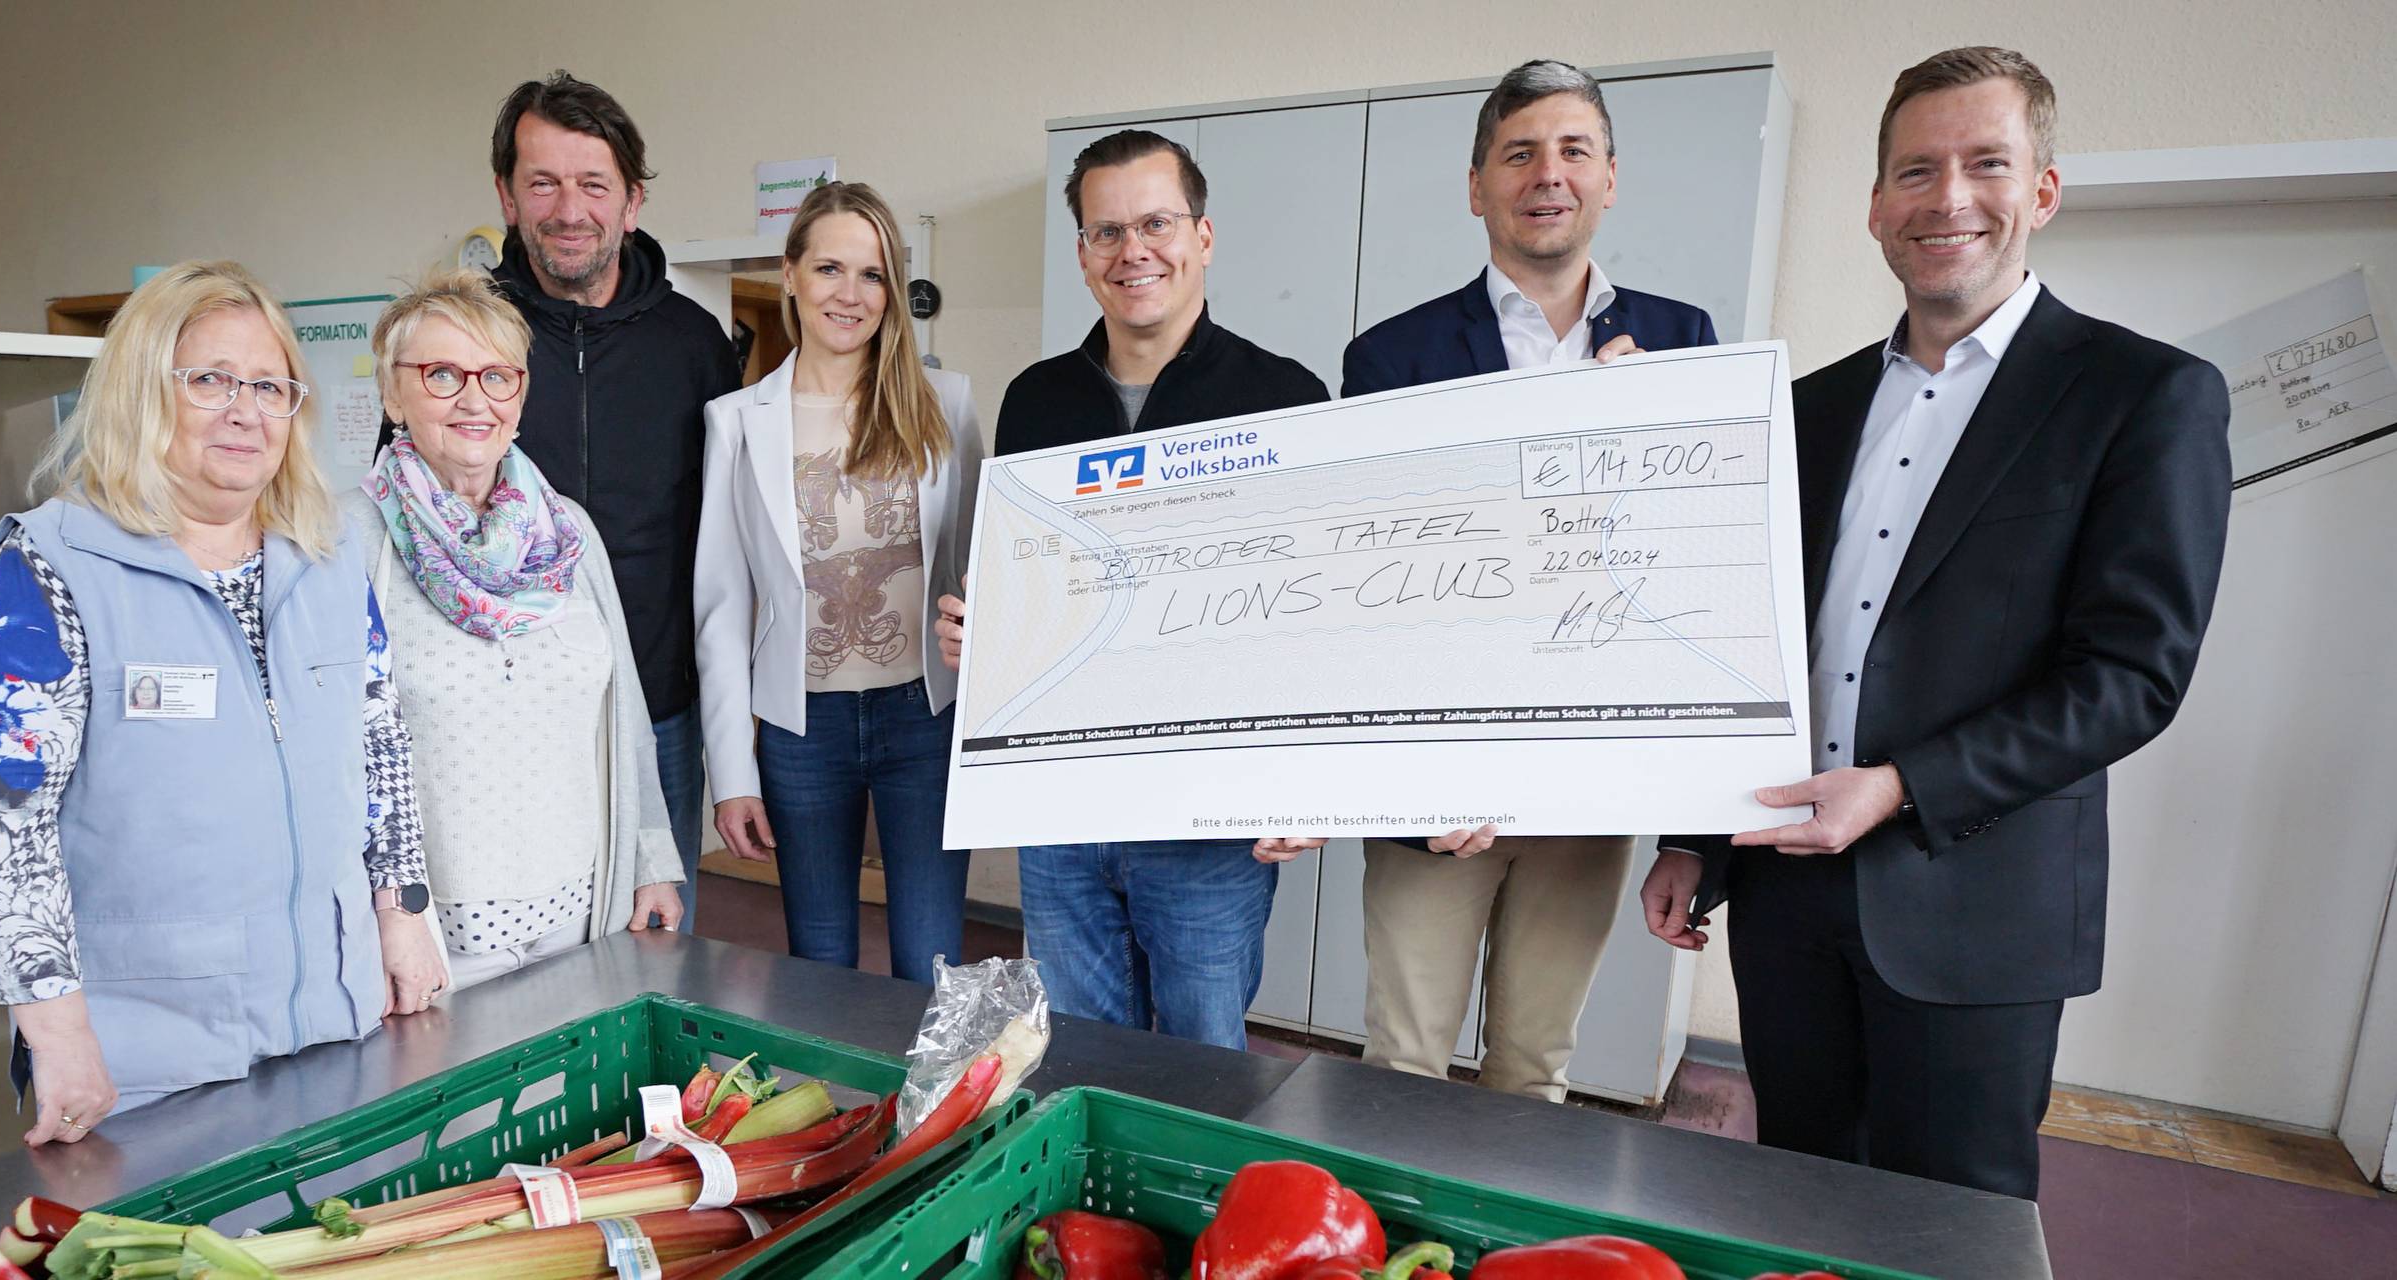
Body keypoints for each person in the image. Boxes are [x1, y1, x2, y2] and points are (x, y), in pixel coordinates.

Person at [1641, 47, 2232, 1199]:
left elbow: (2132, 674)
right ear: (1875, 207)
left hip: (1977, 899)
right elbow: (1746, 643)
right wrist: (1694, 839)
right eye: (1916, 170)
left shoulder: (2143, 395)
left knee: (1953, 1224)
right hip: (1786, 891)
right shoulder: (1801, 410)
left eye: (1986, 164)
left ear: (2043, 192)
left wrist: (1902, 780)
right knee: (1799, 1195)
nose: (1948, 197)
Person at [0, 261, 441, 1145]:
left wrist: (401, 919)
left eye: (269, 385)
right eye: (210, 379)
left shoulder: (327, 558)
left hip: (337, 1013)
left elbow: (381, 752)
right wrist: (55, 1034)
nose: (245, 410)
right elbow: (3, 829)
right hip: (148, 1049)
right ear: (141, 391)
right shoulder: (47, 564)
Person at [1338, 60, 1721, 1102]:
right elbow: (1368, 582)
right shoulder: (1391, 356)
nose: (1547, 174)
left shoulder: (1685, 346)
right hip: (1436, 788)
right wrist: (1411, 779)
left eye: (1573, 150)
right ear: (1478, 186)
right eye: (1519, 153)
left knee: (1535, 1069)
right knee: (1402, 1061)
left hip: (1588, 782)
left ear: (1608, 178)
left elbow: (1703, 579)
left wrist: (1691, 823)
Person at [935, 131, 1325, 1048]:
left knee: (1203, 1063)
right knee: (1080, 1056)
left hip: (1207, 815)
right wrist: (982, 636)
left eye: (1156, 223)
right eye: (1106, 232)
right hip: (1062, 812)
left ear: (1204, 235)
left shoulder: (1286, 396)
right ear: (1080, 254)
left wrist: (1305, 781)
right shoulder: (1035, 400)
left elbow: (1316, 612)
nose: (1133, 251)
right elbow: (1032, 583)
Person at [351, 270, 686, 990]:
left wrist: (651, 861)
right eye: (442, 374)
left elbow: (623, 713)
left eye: (499, 376)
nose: (476, 399)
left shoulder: (570, 533)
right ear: (392, 394)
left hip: (583, 912)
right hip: (427, 934)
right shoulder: (347, 539)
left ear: (522, 396)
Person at [693, 183, 983, 984]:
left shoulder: (945, 404)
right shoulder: (735, 420)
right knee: (819, 966)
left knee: (933, 964)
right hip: (801, 729)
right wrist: (732, 774)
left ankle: (933, 1114)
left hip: (924, 717)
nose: (849, 295)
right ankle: (842, 1114)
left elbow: (977, 572)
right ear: (790, 275)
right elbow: (721, 607)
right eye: (828, 268)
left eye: (873, 274)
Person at [481, 71, 741, 924]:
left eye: (593, 184)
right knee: (512, 943)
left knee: (656, 945)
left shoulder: (693, 344)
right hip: (501, 705)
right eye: (542, 182)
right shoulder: (464, 334)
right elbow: (402, 514)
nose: (568, 209)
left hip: (659, 713)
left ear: (631, 202)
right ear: (507, 197)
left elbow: (733, 534)